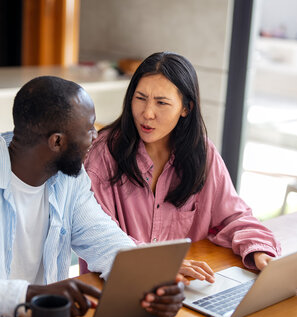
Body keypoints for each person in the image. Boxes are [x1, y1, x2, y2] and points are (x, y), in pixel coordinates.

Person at [0, 76, 184, 317]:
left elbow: (106, 241)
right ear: (56, 142)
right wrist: (28, 295)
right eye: (89, 129)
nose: (95, 138)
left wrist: (152, 286)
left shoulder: (69, 181)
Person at [83, 52, 281, 282]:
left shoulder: (202, 154)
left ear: (186, 108)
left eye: (162, 102)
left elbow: (233, 217)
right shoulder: (103, 154)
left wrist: (259, 249)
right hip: (118, 285)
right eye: (140, 97)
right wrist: (162, 265)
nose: (147, 113)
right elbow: (101, 238)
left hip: (185, 286)